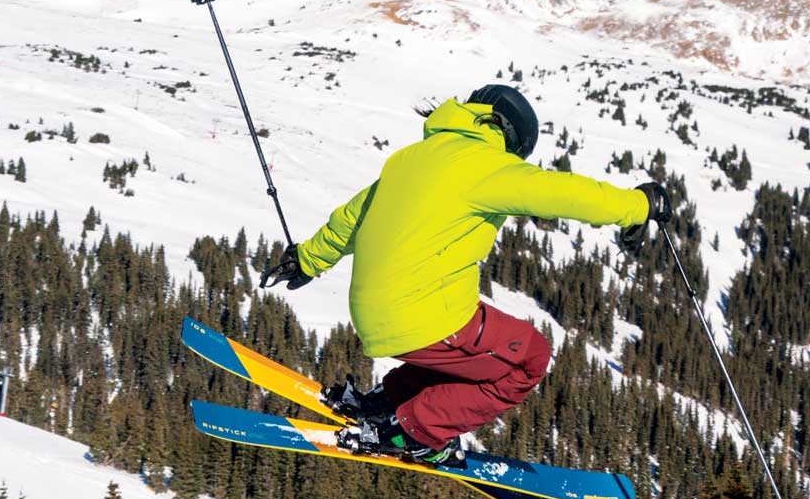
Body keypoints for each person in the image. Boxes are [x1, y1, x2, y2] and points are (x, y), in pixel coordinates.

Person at [261, 85, 671, 465]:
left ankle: (383, 404)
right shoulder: (487, 166)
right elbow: (565, 194)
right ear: (512, 137)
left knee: (466, 352)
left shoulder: (409, 159)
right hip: (422, 316)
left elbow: (353, 218)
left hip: (375, 313)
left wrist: (308, 259)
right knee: (528, 359)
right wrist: (638, 207)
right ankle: (416, 434)